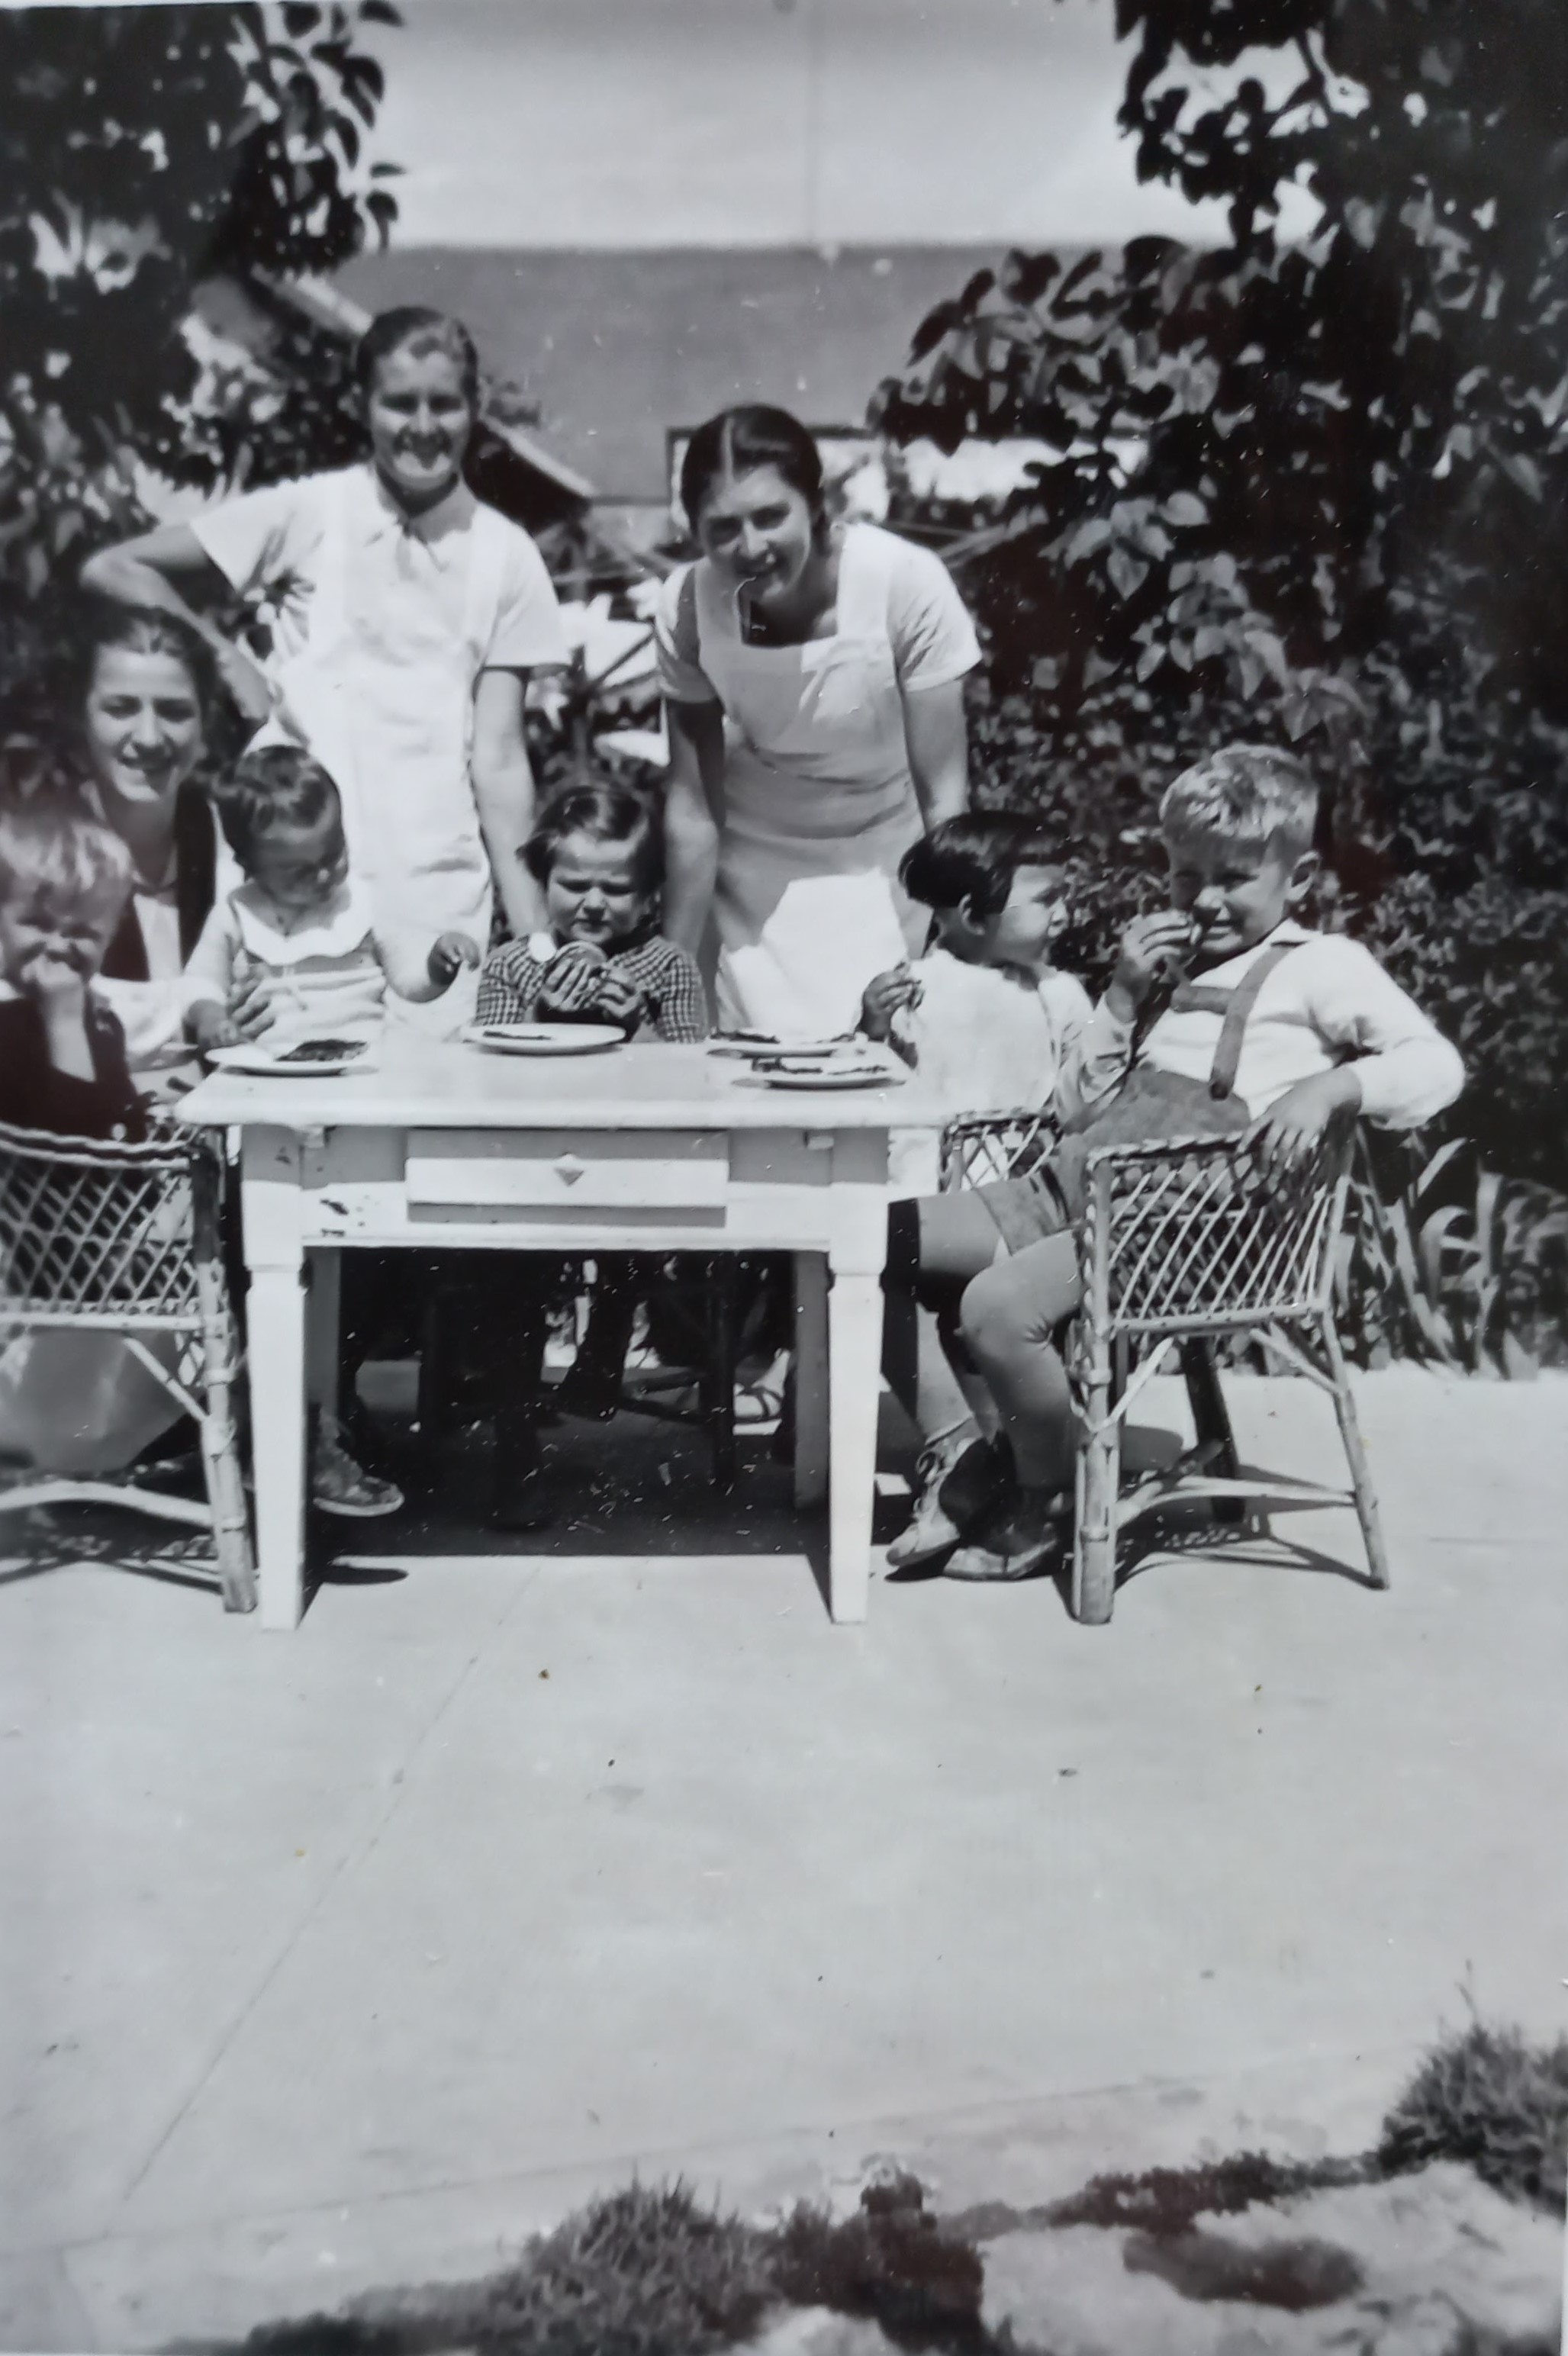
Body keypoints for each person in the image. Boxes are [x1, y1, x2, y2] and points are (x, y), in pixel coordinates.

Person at [885, 744, 1467, 1582]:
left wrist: (1334, 1087)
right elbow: (1076, 1110)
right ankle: (963, 1449)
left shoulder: (1322, 965)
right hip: (1076, 1186)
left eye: (1233, 877)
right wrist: (1123, 997)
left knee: (997, 1308)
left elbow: (1436, 1065)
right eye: (1187, 876)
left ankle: (1047, 1494)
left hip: (1182, 1232)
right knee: (867, 1240)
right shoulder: (1169, 967)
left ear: (1299, 879)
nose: (1205, 899)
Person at [82, 305, 568, 1025]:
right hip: (283, 893)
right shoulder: (312, 512)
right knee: (273, 1080)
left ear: (475, 406)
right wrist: (223, 657)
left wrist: (536, 944)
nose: (423, 426)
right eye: (399, 403)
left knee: (429, 1083)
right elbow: (115, 568)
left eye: (444, 403)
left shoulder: (506, 555)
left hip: (431, 897)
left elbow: (498, 762)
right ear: (361, 404)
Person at [655, 404, 982, 1032]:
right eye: (722, 527)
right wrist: (670, 973)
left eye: (769, 517)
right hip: (749, 860)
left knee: (881, 1049)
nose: (750, 547)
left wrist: (961, 948)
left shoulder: (904, 583)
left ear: (815, 502)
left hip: (886, 851)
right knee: (744, 1058)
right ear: (693, 530)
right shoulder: (686, 607)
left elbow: (944, 798)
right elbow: (693, 810)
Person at [468, 783, 709, 1527]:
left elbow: (699, 1086)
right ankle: (514, 1448)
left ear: (651, 893)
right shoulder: (513, 965)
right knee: (507, 1266)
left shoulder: (668, 966)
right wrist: (543, 1013)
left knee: (633, 1223)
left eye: (618, 887)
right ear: (544, 882)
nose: (595, 903)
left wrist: (639, 1027)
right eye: (575, 884)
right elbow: (483, 1079)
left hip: (639, 1169)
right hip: (532, 1169)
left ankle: (604, 1348)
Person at [182, 745, 480, 1055]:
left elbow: (409, 982)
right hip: (264, 1066)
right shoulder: (237, 913)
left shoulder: (360, 904)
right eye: (300, 872)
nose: (324, 875)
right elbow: (198, 981)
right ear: (250, 866)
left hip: (357, 1063)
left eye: (334, 855)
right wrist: (211, 1017)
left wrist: (438, 965)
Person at [69, 603, 233, 1077]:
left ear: (205, 723)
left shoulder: (237, 845)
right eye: (121, 708)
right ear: (81, 716)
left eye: (174, 712)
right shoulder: (34, 855)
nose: (148, 737)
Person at [858, 813, 1092, 1109]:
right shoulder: (912, 991)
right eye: (1047, 900)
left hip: (1028, 1140)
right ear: (975, 916)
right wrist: (874, 1027)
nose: (1064, 916)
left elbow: (1085, 1093)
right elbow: (870, 1087)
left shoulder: (1056, 993)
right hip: (928, 1140)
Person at [0, 793, 143, 1141]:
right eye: (37, 923)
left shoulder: (100, 1018)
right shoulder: (8, 1019)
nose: (59, 946)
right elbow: (74, 1143)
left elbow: (115, 1116)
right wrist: (63, 1022)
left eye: (83, 932)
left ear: (111, 935)